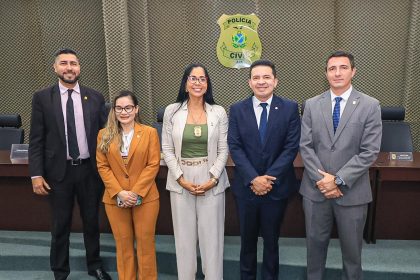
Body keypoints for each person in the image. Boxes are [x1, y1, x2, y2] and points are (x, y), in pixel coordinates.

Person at [29, 48, 111, 280]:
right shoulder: (42, 98)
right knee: (60, 225)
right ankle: (60, 271)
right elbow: (36, 140)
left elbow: (106, 136)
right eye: (63, 63)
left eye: (73, 63)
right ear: (55, 68)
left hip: (89, 171)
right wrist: (36, 174)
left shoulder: (95, 97)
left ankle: (94, 265)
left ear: (79, 68)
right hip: (58, 174)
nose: (69, 68)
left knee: (92, 222)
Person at [299, 51, 382, 280]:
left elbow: (370, 151)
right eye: (332, 68)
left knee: (352, 256)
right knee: (314, 253)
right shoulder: (312, 105)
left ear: (353, 71)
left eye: (343, 68)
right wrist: (322, 181)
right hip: (315, 193)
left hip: (352, 193)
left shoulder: (370, 105)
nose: (337, 73)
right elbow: (305, 147)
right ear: (325, 73)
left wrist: (337, 180)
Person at [227, 59, 300, 279]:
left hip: (276, 188)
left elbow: (291, 147)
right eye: (256, 78)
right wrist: (253, 178)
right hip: (246, 188)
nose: (261, 82)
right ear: (249, 82)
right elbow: (235, 146)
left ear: (275, 81)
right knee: (247, 243)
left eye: (266, 77)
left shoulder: (289, 108)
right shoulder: (237, 109)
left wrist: (268, 179)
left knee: (271, 242)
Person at [161, 63, 229, 280]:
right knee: (184, 243)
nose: (197, 83)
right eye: (193, 78)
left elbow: (223, 148)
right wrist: (180, 179)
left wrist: (214, 177)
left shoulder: (218, 112)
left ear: (207, 84)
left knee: (213, 243)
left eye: (202, 79)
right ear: (186, 82)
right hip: (181, 182)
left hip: (211, 181)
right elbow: (167, 149)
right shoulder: (172, 111)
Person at [96, 90, 160, 279]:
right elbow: (102, 166)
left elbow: (153, 164)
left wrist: (135, 192)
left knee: (145, 245)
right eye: (119, 108)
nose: (124, 112)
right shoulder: (104, 135)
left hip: (146, 198)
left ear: (136, 109)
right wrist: (120, 192)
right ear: (114, 111)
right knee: (123, 245)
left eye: (128, 108)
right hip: (115, 199)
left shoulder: (149, 133)